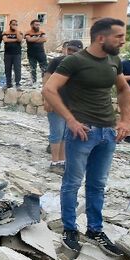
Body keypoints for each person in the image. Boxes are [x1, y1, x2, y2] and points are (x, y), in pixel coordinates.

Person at [43, 18, 130, 257]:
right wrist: (70, 120)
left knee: (98, 184)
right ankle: (70, 229)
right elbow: (49, 89)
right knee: (72, 183)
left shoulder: (114, 61)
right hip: (83, 132)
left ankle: (95, 229)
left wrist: (125, 120)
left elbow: (123, 89)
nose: (122, 41)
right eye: (118, 37)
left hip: (108, 133)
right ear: (101, 37)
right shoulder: (74, 61)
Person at [44, 40, 83, 174]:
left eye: (74, 51)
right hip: (56, 103)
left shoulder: (82, 65)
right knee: (57, 133)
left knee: (66, 135)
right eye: (69, 50)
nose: (71, 53)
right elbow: (46, 79)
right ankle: (54, 162)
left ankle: (62, 161)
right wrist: (47, 100)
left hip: (72, 106)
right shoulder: (57, 62)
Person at [24, 19, 48, 85]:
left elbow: (45, 39)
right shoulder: (28, 32)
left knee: (44, 68)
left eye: (38, 25)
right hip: (31, 53)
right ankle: (34, 81)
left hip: (41, 53)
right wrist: (39, 38)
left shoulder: (41, 32)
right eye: (36, 25)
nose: (38, 26)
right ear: (32, 25)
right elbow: (29, 39)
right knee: (33, 68)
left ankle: (45, 81)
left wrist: (34, 39)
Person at [2, 19, 23, 89]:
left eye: (16, 24)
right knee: (7, 68)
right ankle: (8, 83)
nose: (15, 26)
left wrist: (16, 31)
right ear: (10, 25)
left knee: (17, 68)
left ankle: (18, 83)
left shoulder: (19, 32)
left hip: (17, 54)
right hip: (8, 53)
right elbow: (5, 40)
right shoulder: (5, 32)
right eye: (13, 24)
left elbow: (20, 40)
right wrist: (15, 40)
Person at [122, 50, 130, 144]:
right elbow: (120, 77)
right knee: (127, 115)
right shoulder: (125, 64)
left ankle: (129, 135)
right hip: (127, 94)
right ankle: (121, 134)